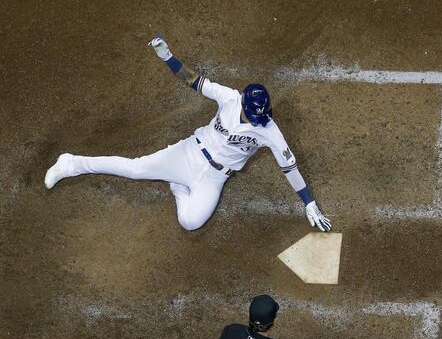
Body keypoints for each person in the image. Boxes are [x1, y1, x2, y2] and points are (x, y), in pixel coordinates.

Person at [44, 35, 332, 232]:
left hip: (216, 177)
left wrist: (310, 203)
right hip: (189, 153)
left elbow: (289, 166)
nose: (260, 121)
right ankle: (72, 163)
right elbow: (195, 81)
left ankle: (177, 187)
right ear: (244, 103)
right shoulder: (230, 98)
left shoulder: (269, 129)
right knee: (134, 168)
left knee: (190, 222)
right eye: (256, 116)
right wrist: (169, 58)